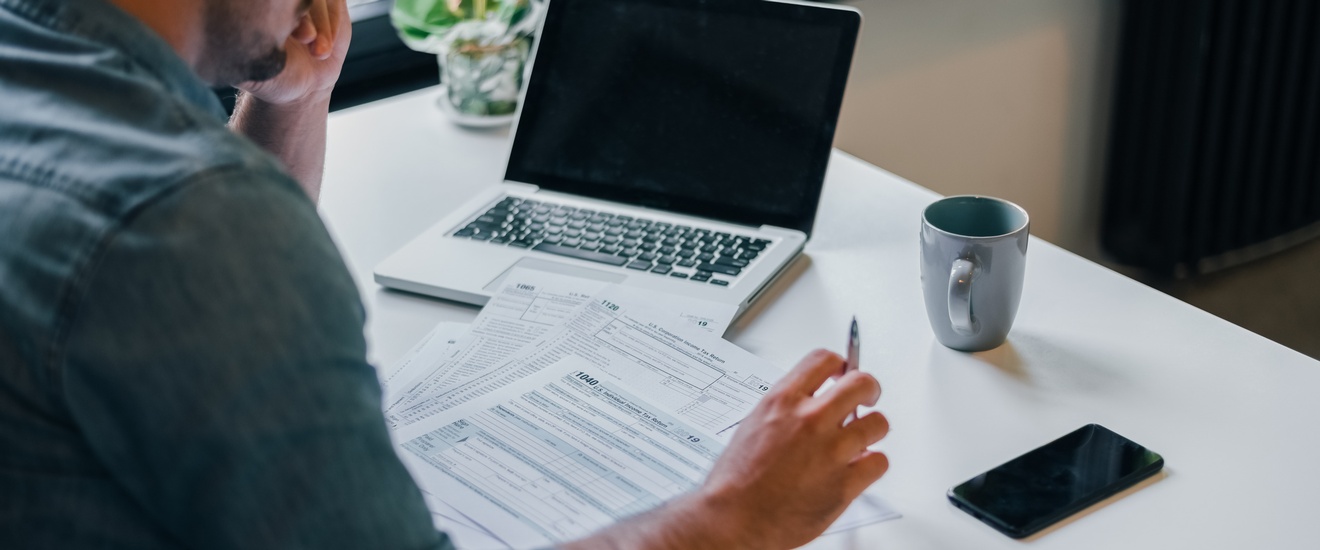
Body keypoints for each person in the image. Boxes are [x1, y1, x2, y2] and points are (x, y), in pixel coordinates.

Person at [0, 0, 890, 548]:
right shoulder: (198, 220)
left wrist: (295, 97)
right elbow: (197, 246)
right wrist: (735, 514)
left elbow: (179, 311)